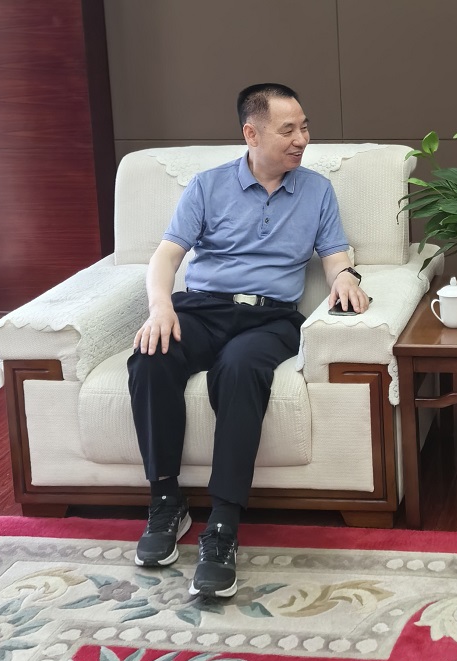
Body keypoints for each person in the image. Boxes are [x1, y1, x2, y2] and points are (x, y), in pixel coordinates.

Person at [128, 83, 369, 598]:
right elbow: (167, 256)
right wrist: (160, 307)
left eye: (304, 127)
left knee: (239, 369)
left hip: (270, 318)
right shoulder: (207, 186)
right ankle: (165, 501)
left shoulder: (317, 191)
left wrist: (346, 277)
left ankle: (222, 524)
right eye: (289, 130)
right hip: (204, 308)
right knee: (151, 355)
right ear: (251, 134)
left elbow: (333, 256)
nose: (302, 139)